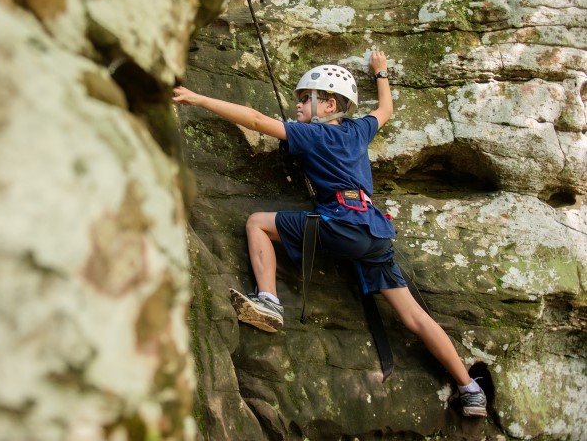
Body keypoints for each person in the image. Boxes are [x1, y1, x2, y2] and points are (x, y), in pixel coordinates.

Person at [173, 50, 488, 417]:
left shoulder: (313, 135)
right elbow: (385, 111)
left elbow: (257, 121)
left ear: (329, 103)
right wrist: (381, 73)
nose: (300, 107)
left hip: (341, 224)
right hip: (374, 230)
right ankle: (470, 388)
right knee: (415, 317)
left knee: (257, 222)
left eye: (306, 99)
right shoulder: (357, 130)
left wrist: (197, 98)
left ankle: (269, 301)